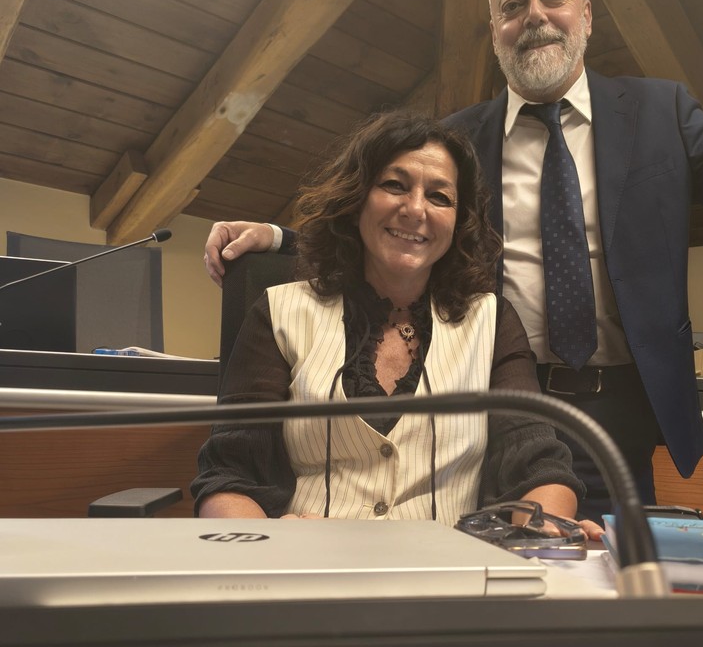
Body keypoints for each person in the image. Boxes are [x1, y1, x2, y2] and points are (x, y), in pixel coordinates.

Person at [203, 0, 703, 522]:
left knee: (610, 575)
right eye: (513, 4)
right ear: (494, 27)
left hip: (622, 407)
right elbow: (400, 231)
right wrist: (280, 239)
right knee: (499, 561)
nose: (535, 15)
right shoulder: (458, 139)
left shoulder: (660, 112)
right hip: (491, 403)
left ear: (585, 14)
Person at [193, 110, 602, 538]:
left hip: (448, 571)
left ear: (458, 221)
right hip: (308, 566)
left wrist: (545, 528)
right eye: (394, 185)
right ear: (356, 198)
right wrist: (267, 545)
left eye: (440, 197)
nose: (415, 209)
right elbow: (228, 474)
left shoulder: (493, 320)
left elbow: (536, 460)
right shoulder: (278, 311)